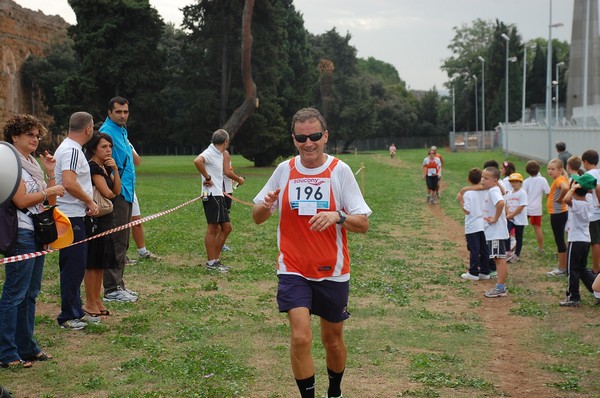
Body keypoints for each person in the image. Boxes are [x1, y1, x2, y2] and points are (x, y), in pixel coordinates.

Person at [252, 107, 371, 398]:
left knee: (332, 340)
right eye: (302, 138)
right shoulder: (285, 170)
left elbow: (363, 223)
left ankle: (335, 391)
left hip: (332, 269)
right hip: (293, 268)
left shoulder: (339, 171)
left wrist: (337, 216)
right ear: (294, 139)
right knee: (300, 337)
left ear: (325, 136)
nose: (309, 143)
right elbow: (257, 216)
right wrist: (266, 205)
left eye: (315, 136)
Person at [0, 115, 65, 367]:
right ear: (14, 136)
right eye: (29, 134)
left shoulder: (32, 164)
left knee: (31, 294)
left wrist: (50, 175)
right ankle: (6, 352)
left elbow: (50, 203)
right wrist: (48, 191)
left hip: (36, 233)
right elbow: (21, 201)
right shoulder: (9, 164)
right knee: (14, 293)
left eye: (37, 135)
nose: (35, 139)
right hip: (21, 234)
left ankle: (26, 347)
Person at [54, 111, 100, 329]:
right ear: (88, 129)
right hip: (70, 217)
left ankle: (76, 309)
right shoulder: (71, 150)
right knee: (73, 266)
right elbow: (69, 182)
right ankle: (68, 316)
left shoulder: (72, 148)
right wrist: (89, 201)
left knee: (78, 265)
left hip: (75, 214)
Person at [100, 97, 138, 302]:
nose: (123, 115)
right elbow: (106, 167)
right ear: (109, 112)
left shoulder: (122, 131)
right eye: (118, 112)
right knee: (116, 241)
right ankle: (112, 289)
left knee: (123, 241)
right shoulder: (107, 134)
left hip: (127, 192)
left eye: (126, 111)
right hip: (117, 195)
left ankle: (119, 285)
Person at [83, 132, 121, 318]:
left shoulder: (104, 167)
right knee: (93, 262)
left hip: (105, 218)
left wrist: (114, 171)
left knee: (101, 263)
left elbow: (118, 190)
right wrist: (112, 179)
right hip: (96, 220)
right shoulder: (94, 168)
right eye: (103, 147)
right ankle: (90, 302)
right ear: (93, 149)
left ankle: (97, 300)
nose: (108, 150)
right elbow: (109, 193)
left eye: (110, 147)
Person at [193, 129, 233, 272]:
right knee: (214, 228)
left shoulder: (219, 154)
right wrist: (207, 178)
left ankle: (215, 260)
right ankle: (212, 263)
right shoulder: (210, 152)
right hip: (211, 195)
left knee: (224, 228)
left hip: (217, 195)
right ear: (226, 142)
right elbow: (197, 161)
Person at [560, 174, 598, 306]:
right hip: (586, 240)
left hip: (576, 241)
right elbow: (588, 192)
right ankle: (598, 291)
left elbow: (566, 199)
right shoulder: (589, 203)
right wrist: (582, 187)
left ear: (575, 191)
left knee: (573, 270)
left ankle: (573, 297)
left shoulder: (577, 204)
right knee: (582, 269)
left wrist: (573, 188)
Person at [481, 166, 510, 298]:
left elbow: (500, 203)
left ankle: (500, 287)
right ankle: (500, 286)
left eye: (486, 178)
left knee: (499, 259)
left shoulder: (493, 190)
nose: (483, 180)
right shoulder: (493, 189)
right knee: (498, 258)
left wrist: (496, 218)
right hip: (493, 231)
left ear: (495, 180)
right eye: (482, 177)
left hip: (496, 231)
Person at [129, 143, 160, 261]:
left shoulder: (126, 141)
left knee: (137, 222)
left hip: (130, 188)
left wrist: (127, 145)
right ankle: (120, 255)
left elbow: (137, 161)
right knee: (121, 225)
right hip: (116, 188)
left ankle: (142, 251)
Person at [460, 168, 490, 281]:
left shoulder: (468, 193)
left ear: (468, 179)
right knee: (484, 248)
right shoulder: (486, 191)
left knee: (474, 249)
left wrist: (460, 200)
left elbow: (467, 210)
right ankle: (484, 271)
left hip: (472, 225)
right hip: (483, 224)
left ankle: (473, 272)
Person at [546, 158, 570, 276]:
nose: (550, 171)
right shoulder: (560, 178)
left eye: (553, 169)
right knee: (561, 240)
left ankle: (562, 269)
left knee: (559, 241)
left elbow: (565, 188)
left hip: (558, 214)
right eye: (548, 169)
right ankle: (563, 266)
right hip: (560, 213)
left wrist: (561, 199)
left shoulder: (559, 180)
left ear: (560, 170)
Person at [523, 160, 550, 254]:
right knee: (537, 228)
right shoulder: (543, 180)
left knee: (519, 228)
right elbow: (548, 193)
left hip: (525, 208)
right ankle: (541, 248)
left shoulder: (525, 181)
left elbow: (523, 194)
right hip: (537, 209)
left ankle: (515, 246)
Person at [221, 149, 245, 252]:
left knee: (221, 217)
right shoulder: (223, 153)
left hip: (224, 189)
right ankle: (220, 244)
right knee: (223, 219)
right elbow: (227, 172)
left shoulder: (216, 153)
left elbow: (228, 170)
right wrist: (239, 179)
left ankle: (219, 243)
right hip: (224, 190)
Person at [581, 149, 600, 274]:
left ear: (586, 162)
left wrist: (599, 201)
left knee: (595, 242)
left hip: (594, 213)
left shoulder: (589, 175)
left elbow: (598, 187)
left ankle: (596, 268)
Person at [504, 173, 528, 263]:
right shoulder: (509, 193)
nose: (514, 184)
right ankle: (508, 251)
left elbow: (521, 207)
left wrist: (511, 215)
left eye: (516, 182)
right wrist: (507, 212)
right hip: (510, 218)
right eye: (512, 182)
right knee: (506, 233)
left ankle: (517, 254)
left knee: (519, 236)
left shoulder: (522, 193)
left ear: (520, 183)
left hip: (519, 219)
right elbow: (506, 204)